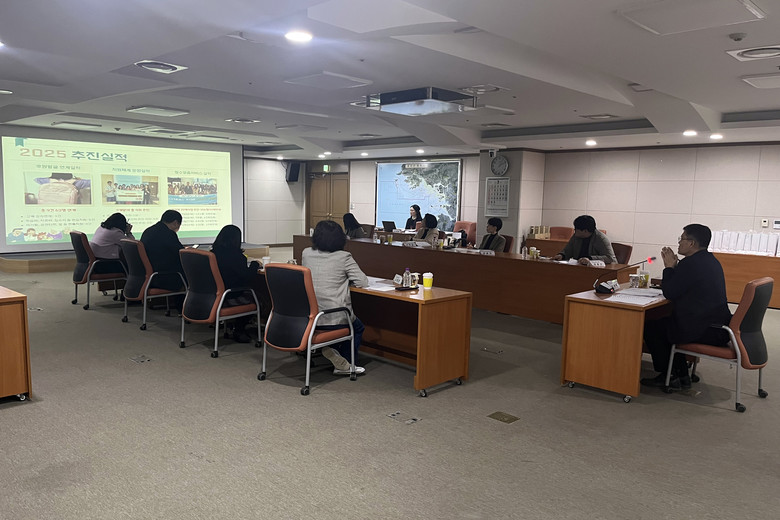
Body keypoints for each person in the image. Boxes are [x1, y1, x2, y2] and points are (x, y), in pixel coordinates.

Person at [641, 224, 732, 390]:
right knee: (666, 323)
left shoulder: (691, 264)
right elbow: (686, 283)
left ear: (691, 243)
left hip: (705, 329)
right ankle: (681, 375)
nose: (679, 243)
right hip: (717, 326)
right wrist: (676, 267)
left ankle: (669, 375)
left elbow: (670, 292)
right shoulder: (709, 260)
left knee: (652, 326)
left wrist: (669, 267)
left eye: (681, 239)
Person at [302, 220, 368, 376]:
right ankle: (345, 363)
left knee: (350, 323)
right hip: (334, 316)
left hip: (309, 316)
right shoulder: (343, 257)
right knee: (358, 327)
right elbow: (362, 282)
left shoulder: (306, 253)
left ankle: (332, 349)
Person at [211, 225, 261, 343]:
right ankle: (239, 328)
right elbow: (247, 276)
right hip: (229, 296)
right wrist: (255, 264)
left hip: (212, 296)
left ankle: (233, 324)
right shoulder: (236, 257)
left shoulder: (212, 254)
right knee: (258, 298)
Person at [140, 210, 185, 291]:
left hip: (150, 276)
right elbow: (181, 253)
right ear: (175, 223)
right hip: (165, 277)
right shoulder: (168, 233)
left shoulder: (148, 230)